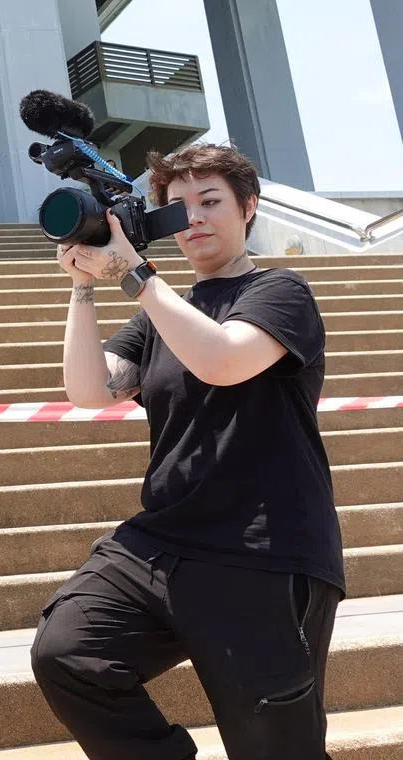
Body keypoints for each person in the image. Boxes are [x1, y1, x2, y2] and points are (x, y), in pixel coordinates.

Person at [30, 142, 344, 760]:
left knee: (276, 750)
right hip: (161, 542)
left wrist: (137, 277)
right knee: (68, 651)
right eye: (177, 208)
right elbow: (90, 392)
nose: (193, 218)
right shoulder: (160, 314)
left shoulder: (281, 292)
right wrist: (82, 288)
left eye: (210, 202)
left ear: (248, 208)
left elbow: (224, 360)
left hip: (264, 550)